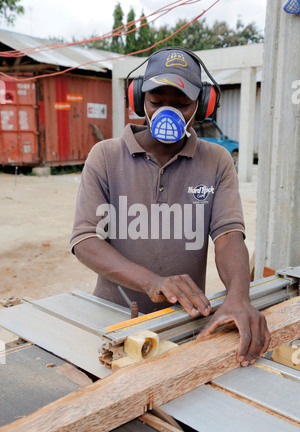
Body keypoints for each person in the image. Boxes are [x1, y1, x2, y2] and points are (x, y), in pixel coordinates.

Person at [70, 47, 270, 367]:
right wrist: (153, 282)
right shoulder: (105, 157)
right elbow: (85, 241)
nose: (168, 112)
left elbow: (229, 236)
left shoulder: (216, 161)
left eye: (181, 104)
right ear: (138, 100)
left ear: (202, 106)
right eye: (157, 101)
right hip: (112, 315)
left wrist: (238, 296)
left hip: (183, 323)